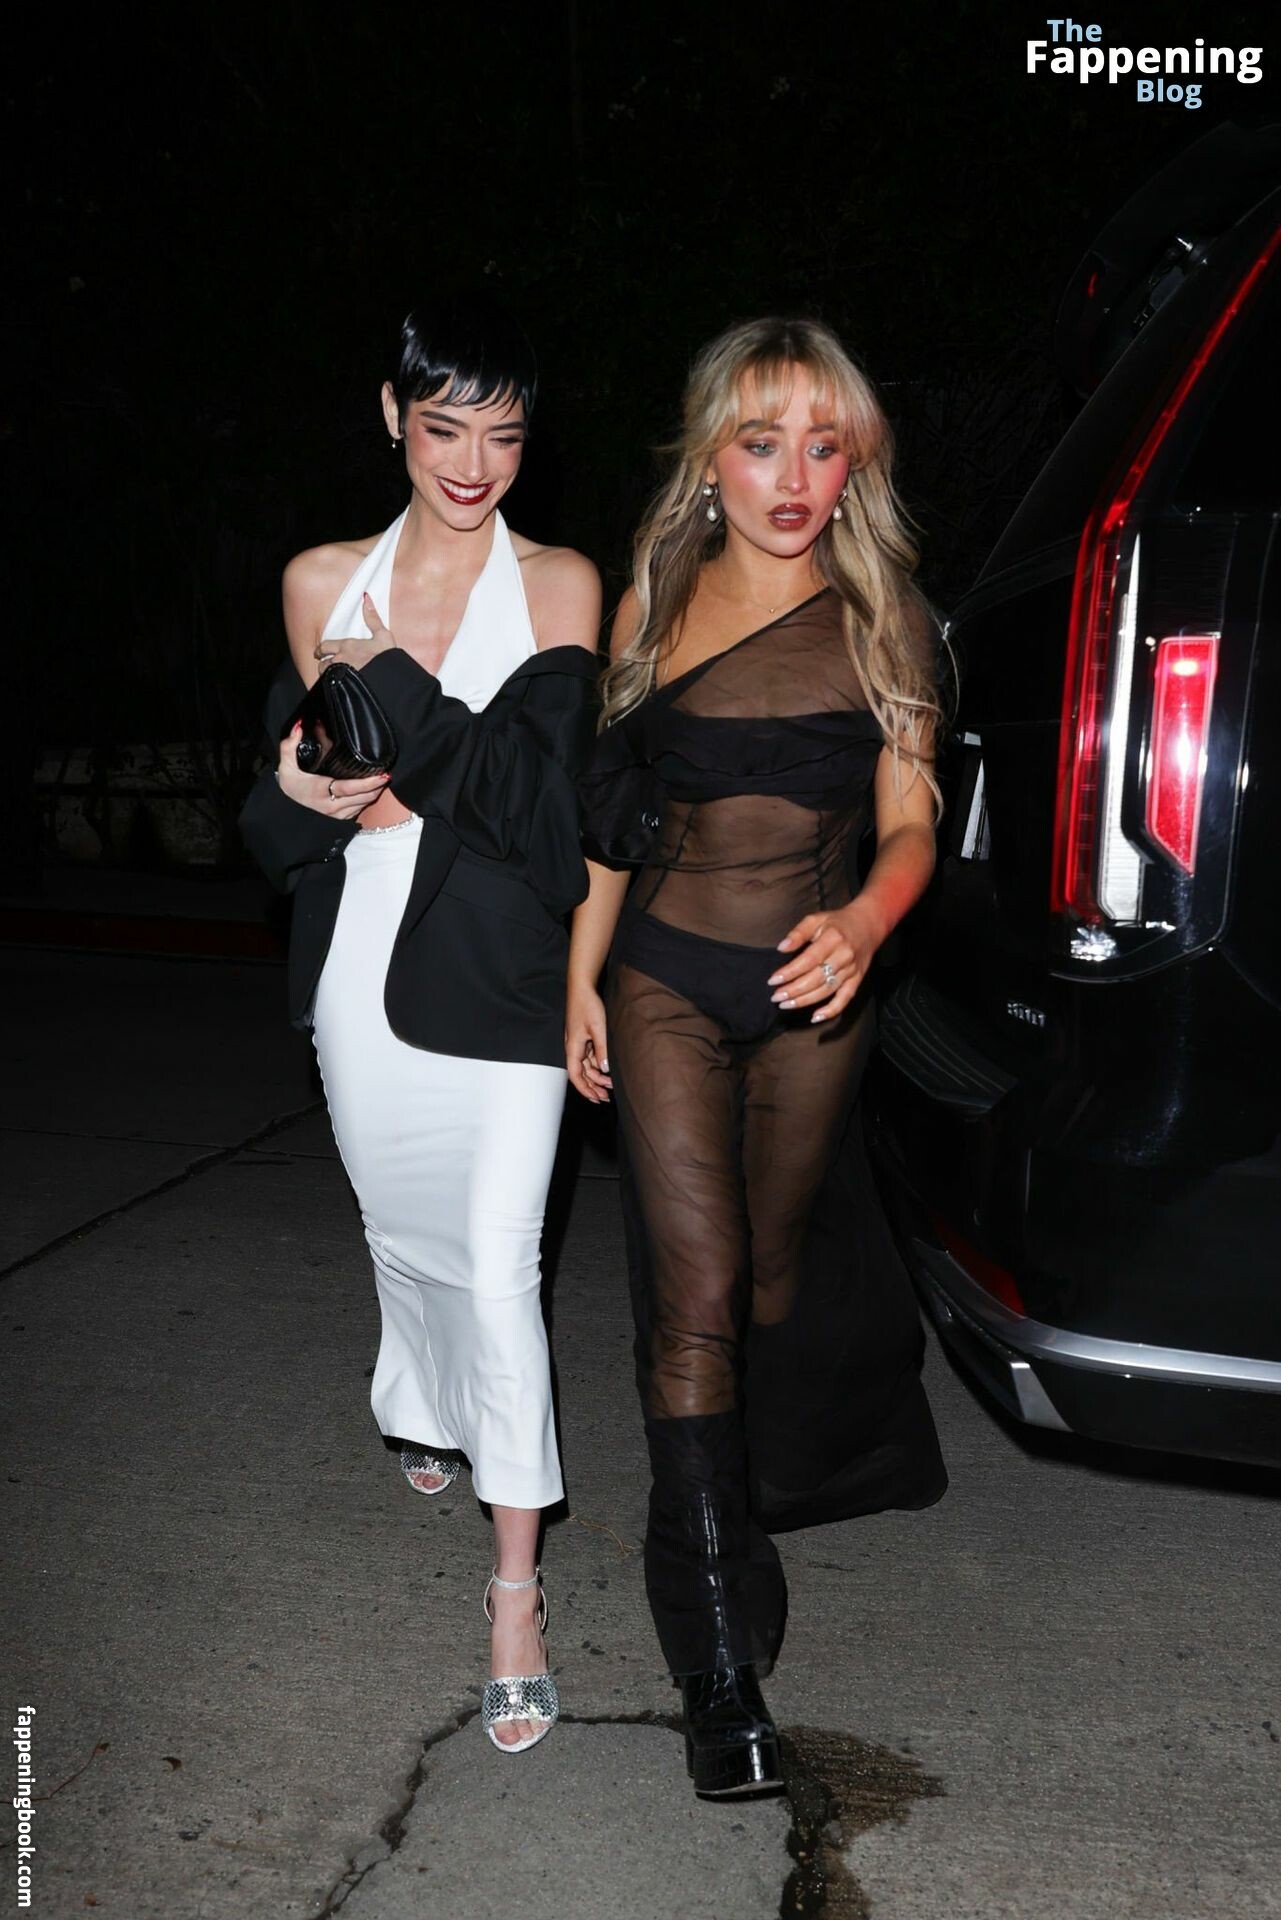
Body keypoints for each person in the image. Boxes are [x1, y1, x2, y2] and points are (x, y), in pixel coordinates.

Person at [566, 316, 948, 1798]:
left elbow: (910, 823)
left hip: (814, 993)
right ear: (709, 458)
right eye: (760, 441)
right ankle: (719, 1662)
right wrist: (581, 981)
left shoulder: (883, 617)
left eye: (822, 444)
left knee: (771, 1277)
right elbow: (614, 819)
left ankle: (780, 1461)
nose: (792, 477)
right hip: (664, 972)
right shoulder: (653, 601)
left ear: (854, 466)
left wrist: (865, 918)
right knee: (699, 1292)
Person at [240, 295, 600, 1753]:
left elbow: (541, 819)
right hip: (361, 957)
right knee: (402, 1230)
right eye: (444, 428)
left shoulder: (564, 584)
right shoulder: (319, 577)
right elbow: (315, 802)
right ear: (393, 417)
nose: (472, 463)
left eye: (502, 435)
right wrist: (306, 789)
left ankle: (514, 1595)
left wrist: (390, 690)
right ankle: (420, 1394)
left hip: (507, 968)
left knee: (500, 1265)